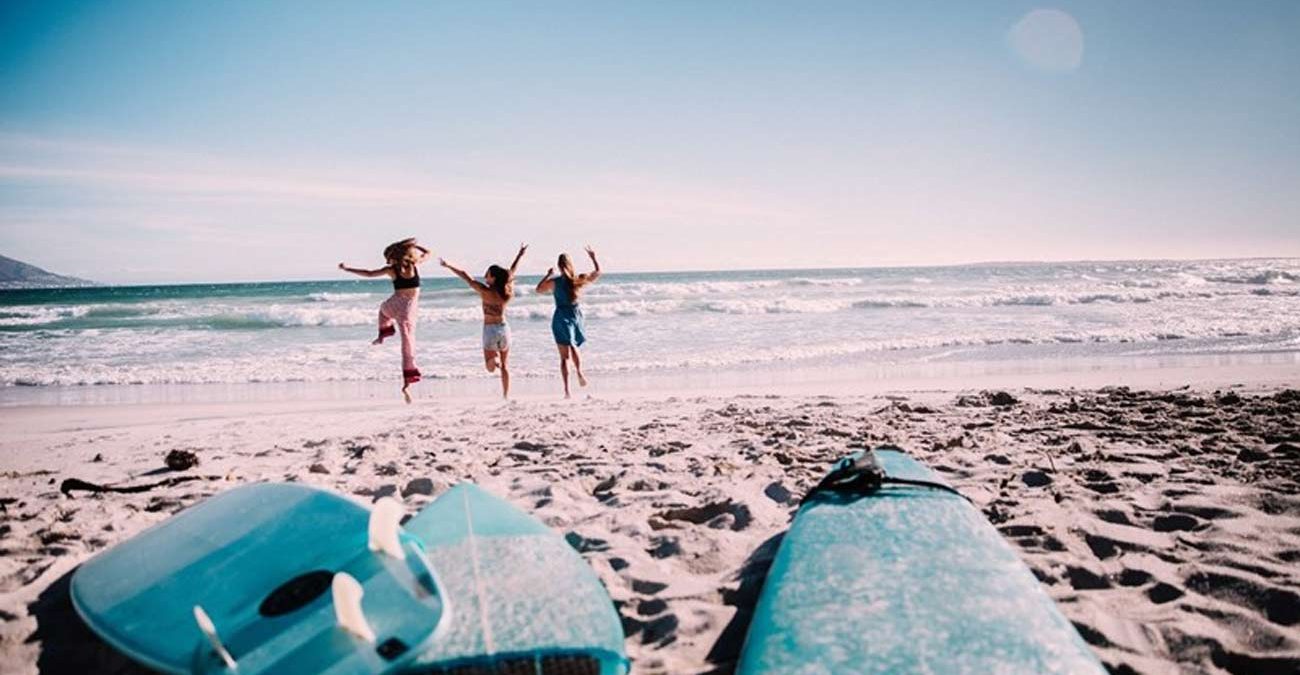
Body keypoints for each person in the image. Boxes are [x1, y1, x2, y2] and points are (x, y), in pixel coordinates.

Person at [338, 238, 430, 403]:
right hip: (408, 309)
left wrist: (347, 269)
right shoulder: (415, 265)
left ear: (394, 257)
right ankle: (407, 384)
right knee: (408, 345)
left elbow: (369, 274)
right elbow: (428, 253)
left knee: (383, 309)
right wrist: (415, 246)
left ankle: (383, 334)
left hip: (395, 303)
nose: (387, 260)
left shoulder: (391, 270)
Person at [440, 244, 528, 399]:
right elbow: (511, 272)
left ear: (493, 278)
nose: (485, 277)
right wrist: (520, 255)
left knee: (490, 368)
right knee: (505, 366)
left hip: (489, 330)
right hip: (504, 329)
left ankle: (495, 361)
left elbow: (466, 276)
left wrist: (448, 265)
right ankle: (506, 395)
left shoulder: (484, 291)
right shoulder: (507, 291)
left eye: (487, 275)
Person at [535, 245, 601, 398]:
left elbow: (538, 290)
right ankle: (579, 372)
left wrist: (547, 275)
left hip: (560, 316)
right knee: (573, 345)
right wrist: (593, 258)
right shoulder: (577, 280)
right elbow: (597, 273)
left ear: (559, 266)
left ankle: (566, 391)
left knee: (564, 357)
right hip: (574, 315)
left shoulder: (555, 281)